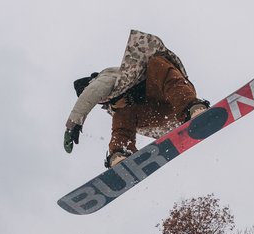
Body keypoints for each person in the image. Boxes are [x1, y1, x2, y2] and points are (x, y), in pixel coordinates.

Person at [64, 30, 209, 168]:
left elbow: (94, 91)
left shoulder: (106, 77)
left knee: (156, 63)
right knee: (122, 113)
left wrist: (74, 122)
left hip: (175, 93)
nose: (101, 101)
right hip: (162, 113)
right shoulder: (113, 104)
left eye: (100, 99)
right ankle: (121, 152)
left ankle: (192, 107)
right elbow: (125, 125)